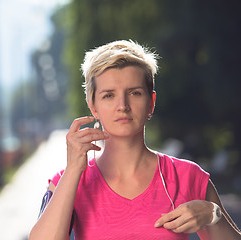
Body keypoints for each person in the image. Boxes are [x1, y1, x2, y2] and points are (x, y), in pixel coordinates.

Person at [29, 40, 241, 239]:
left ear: (151, 102)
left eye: (135, 93)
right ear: (93, 106)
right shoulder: (69, 182)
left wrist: (212, 213)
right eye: (109, 95)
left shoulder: (187, 176)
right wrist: (74, 169)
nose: (123, 105)